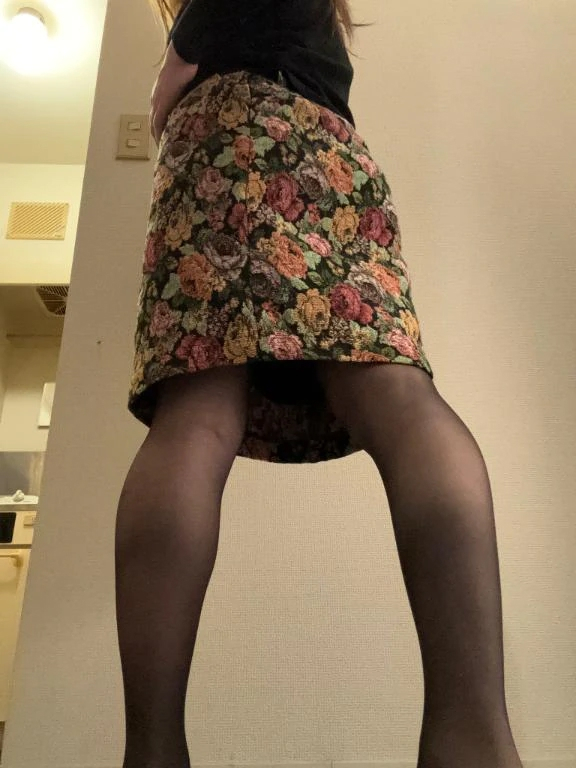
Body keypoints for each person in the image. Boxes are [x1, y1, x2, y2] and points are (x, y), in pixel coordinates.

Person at [115, 1, 524, 767]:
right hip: (333, 152)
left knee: (197, 414)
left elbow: (195, 57)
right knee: (399, 398)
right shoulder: (320, 32)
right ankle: (473, 741)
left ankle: (153, 752)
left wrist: (175, 67)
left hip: (226, 138)